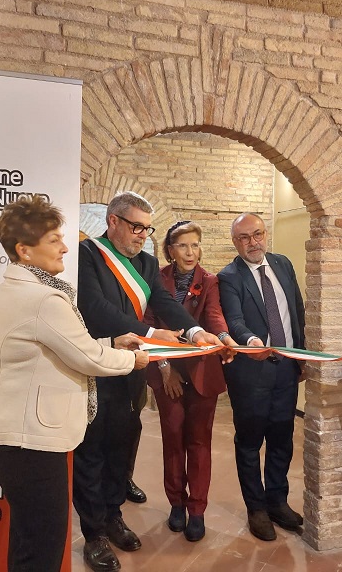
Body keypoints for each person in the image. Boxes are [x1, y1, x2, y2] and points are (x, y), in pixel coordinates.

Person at [0, 195, 149, 572]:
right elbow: (87, 358)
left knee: (29, 542)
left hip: (20, 440)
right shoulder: (42, 299)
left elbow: (65, 347)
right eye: (54, 239)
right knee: (41, 549)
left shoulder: (25, 291)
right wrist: (133, 359)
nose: (65, 247)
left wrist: (112, 342)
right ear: (24, 250)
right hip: (29, 443)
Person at [73, 191, 226, 572]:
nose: (143, 235)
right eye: (136, 227)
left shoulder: (146, 262)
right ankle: (93, 533)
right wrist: (151, 333)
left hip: (132, 368)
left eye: (147, 228)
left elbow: (164, 301)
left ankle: (113, 515)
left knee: (120, 448)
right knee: (92, 452)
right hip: (96, 364)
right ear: (113, 222)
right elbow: (95, 308)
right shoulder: (87, 255)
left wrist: (194, 332)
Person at [144, 220, 238, 542]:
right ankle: (176, 503)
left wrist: (224, 338)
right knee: (173, 438)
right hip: (167, 371)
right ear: (170, 250)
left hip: (202, 371)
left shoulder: (209, 281)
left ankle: (197, 509)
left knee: (199, 441)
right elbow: (150, 323)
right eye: (183, 245)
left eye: (195, 245)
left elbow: (214, 316)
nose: (190, 252)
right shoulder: (157, 279)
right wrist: (164, 366)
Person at [217, 212, 306, 541]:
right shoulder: (229, 276)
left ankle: (277, 502)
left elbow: (297, 311)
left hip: (286, 367)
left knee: (282, 438)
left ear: (265, 234)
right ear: (235, 242)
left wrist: (302, 356)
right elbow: (234, 320)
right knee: (250, 441)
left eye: (257, 234)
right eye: (244, 237)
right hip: (251, 371)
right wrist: (251, 340)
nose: (252, 242)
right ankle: (256, 508)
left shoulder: (283, 264)